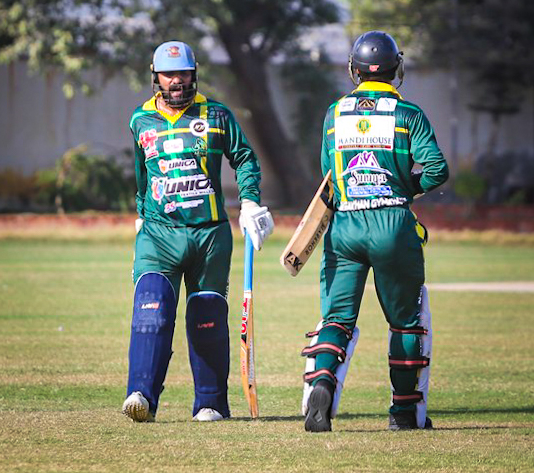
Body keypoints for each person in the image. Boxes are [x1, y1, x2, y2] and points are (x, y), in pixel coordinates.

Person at [302, 30, 449, 432]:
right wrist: (405, 188)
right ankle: (404, 413)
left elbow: (328, 175)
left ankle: (322, 383)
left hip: (345, 226)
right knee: (405, 322)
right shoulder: (408, 114)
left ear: (354, 70)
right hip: (392, 224)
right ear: (396, 69)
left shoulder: (334, 113)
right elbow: (437, 169)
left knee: (337, 319)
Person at [122, 40, 274, 423]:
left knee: (207, 318)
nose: (176, 81)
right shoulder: (141, 120)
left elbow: (245, 158)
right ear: (155, 76)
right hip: (158, 234)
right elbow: (142, 175)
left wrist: (250, 202)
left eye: (183, 73)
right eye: (169, 74)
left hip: (209, 237)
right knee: (151, 310)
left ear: (194, 74)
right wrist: (141, 215)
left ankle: (210, 403)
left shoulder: (217, 116)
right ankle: (141, 396)